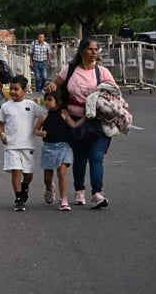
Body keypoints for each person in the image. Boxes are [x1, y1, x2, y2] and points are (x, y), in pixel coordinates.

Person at [45, 38, 118, 209]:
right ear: (81, 51)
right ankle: (79, 190)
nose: (94, 52)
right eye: (90, 49)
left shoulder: (103, 73)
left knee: (96, 157)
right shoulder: (70, 70)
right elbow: (56, 84)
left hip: (99, 122)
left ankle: (97, 194)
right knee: (80, 157)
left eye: (96, 49)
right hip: (75, 122)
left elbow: (115, 93)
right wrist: (51, 86)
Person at [0, 75, 46, 211]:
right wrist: (2, 135)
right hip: (11, 145)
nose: (12, 91)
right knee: (16, 171)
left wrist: (39, 129)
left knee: (28, 174)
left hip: (27, 145)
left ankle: (25, 187)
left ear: (24, 90)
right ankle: (18, 198)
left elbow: (45, 115)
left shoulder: (31, 105)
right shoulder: (6, 107)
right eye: (11, 88)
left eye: (16, 89)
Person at [33, 90, 86, 211]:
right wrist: (40, 133)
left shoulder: (63, 114)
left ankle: (63, 199)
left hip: (63, 146)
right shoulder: (43, 116)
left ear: (58, 102)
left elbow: (73, 125)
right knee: (47, 177)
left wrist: (85, 118)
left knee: (61, 173)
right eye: (46, 99)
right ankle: (49, 188)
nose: (46, 102)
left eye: (50, 100)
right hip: (48, 148)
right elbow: (35, 130)